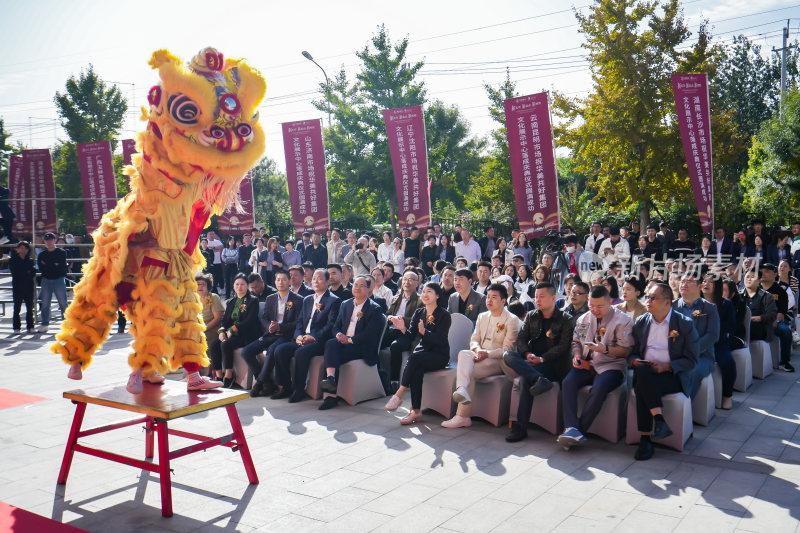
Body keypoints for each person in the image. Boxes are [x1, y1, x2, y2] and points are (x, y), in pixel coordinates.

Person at [629, 282, 699, 461]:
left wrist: (667, 366)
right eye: (647, 297)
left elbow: (692, 360)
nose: (648, 301)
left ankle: (645, 438)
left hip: (671, 375)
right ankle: (658, 421)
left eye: (653, 298)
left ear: (668, 302)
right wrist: (634, 360)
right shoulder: (642, 321)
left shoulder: (684, 324)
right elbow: (633, 351)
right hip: (646, 371)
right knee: (643, 373)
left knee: (642, 387)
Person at [558, 285, 634, 449]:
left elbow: (626, 351)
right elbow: (575, 342)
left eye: (599, 306)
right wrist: (577, 355)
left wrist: (605, 349)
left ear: (610, 302)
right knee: (568, 382)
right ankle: (571, 427)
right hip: (587, 364)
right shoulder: (584, 318)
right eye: (592, 305)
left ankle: (578, 431)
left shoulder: (623, 320)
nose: (595, 310)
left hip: (611, 366)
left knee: (599, 388)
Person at [503, 283, 575, 442]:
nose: (538, 300)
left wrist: (542, 359)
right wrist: (528, 354)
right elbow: (521, 339)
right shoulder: (532, 315)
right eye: (536, 296)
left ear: (553, 298)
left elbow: (563, 347)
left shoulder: (565, 319)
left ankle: (521, 427)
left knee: (524, 379)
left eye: (542, 296)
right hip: (531, 361)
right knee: (508, 355)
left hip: (553, 365)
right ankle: (537, 379)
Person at [442, 283, 521, 428]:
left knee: (467, 371)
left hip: (498, 360)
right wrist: (478, 350)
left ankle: (462, 415)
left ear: (504, 301)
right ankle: (462, 390)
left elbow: (507, 349)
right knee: (464, 353)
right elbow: (474, 339)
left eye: (494, 297)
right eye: (488, 297)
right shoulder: (482, 316)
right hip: (480, 356)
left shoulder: (511, 319)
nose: (489, 300)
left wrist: (487, 354)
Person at [384, 282, 452, 424]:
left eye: (429, 292)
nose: (425, 295)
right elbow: (410, 337)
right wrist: (403, 328)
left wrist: (424, 333)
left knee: (414, 358)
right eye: (424, 291)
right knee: (417, 370)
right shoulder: (419, 312)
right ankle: (415, 411)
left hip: (439, 355)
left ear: (437, 295)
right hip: (422, 354)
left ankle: (399, 394)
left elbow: (440, 340)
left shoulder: (444, 315)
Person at [272, 269, 341, 403]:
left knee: (301, 353)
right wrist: (298, 335)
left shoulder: (334, 301)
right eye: (314, 278)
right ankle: (285, 387)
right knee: (280, 350)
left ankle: (299, 390)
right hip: (302, 337)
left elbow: (331, 325)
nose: (315, 281)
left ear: (327, 282)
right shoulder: (308, 299)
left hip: (319, 341)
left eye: (320, 278)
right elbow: (300, 322)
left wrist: (313, 337)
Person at [317, 276, 384, 410]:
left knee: (333, 355)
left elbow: (370, 334)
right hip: (344, 342)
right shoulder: (345, 304)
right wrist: (338, 334)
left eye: (361, 286)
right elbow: (336, 326)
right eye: (355, 285)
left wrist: (349, 340)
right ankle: (330, 380)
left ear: (368, 289)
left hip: (361, 347)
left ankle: (330, 395)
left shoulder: (374, 308)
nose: (357, 288)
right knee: (331, 344)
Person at [242, 271, 305, 398]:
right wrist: (270, 327)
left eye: (284, 280)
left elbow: (298, 323)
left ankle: (258, 384)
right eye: (278, 280)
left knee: (272, 350)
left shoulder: (298, 300)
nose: (280, 282)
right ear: (275, 282)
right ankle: (267, 382)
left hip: (286, 335)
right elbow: (264, 318)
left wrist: (280, 327)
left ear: (289, 281)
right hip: (270, 333)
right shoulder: (270, 298)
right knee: (246, 352)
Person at [207, 274, 262, 388]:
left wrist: (234, 328)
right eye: (237, 284)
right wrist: (222, 331)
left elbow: (250, 320)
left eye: (242, 284)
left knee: (226, 344)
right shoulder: (231, 302)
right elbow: (225, 320)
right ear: (233, 286)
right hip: (232, 334)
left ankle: (229, 375)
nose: (239, 287)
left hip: (247, 334)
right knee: (214, 344)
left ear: (247, 286)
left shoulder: (253, 301)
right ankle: (218, 375)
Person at [673, 271, 720, 399]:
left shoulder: (709, 308)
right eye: (682, 281)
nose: (684, 284)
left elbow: (713, 335)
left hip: (702, 356)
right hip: (674, 354)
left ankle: (685, 405)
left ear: (699, 286)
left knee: (691, 371)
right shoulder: (672, 306)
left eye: (689, 282)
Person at [381, 269, 423, 393]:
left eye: (411, 280)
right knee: (374, 342)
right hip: (391, 330)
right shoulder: (396, 297)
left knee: (396, 346)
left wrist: (400, 320)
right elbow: (387, 314)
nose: (407, 282)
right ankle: (379, 375)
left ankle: (394, 381)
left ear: (417, 283)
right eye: (405, 279)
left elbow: (418, 320)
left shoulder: (420, 300)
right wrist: (389, 318)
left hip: (407, 333)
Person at [700, 274, 737, 409]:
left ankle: (727, 396)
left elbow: (730, 325)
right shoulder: (696, 302)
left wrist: (712, 338)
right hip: (697, 342)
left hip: (718, 343)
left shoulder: (726, 304)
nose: (706, 284)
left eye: (711, 282)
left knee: (727, 362)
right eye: (704, 281)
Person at [760, 263, 794, 372]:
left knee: (785, 331)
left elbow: (782, 311)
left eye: (767, 271)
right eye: (762, 271)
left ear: (775, 274)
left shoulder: (780, 291)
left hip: (775, 321)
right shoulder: (756, 288)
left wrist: (776, 321)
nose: (763, 274)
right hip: (758, 320)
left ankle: (784, 361)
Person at [37, 232, 69, 333]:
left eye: (51, 240)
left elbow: (61, 266)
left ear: (54, 240)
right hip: (46, 280)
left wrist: (48, 265)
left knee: (63, 302)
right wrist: (54, 264)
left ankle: (67, 324)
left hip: (59, 279)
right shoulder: (42, 254)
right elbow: (41, 268)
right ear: (45, 242)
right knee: (45, 303)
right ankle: (45, 323)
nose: (49, 242)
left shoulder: (61, 252)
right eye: (47, 240)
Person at [196, 273, 224, 360]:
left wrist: (203, 329)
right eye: (197, 284)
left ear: (208, 286)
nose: (200, 287)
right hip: (197, 330)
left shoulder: (213, 297)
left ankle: (206, 368)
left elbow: (217, 318)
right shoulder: (193, 299)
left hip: (211, 330)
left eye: (203, 284)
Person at [10, 241, 36, 333]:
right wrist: (26, 272)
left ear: (28, 250)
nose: (23, 250)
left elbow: (33, 272)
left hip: (28, 286)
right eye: (21, 248)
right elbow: (15, 272)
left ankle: (30, 326)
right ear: (17, 249)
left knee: (30, 307)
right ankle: (16, 327)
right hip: (17, 286)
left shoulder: (30, 260)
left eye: (25, 248)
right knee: (17, 307)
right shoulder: (13, 260)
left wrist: (25, 272)